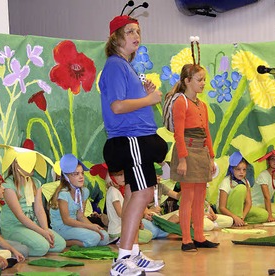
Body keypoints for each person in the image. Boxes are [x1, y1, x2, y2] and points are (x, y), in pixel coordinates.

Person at [99, 12, 167, 276]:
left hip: (135, 138)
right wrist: (149, 100)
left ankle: (134, 254)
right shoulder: (116, 65)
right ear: (116, 38)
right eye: (129, 32)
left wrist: (146, 94)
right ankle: (123, 258)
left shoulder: (126, 67)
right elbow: (117, 106)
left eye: (138, 31)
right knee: (144, 193)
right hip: (130, 138)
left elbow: (127, 102)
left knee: (133, 192)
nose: (136, 36)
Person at [167, 59, 219, 251]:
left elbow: (206, 131)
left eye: (204, 79)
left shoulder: (202, 105)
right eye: (199, 79)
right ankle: (186, 240)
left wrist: (211, 156)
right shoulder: (181, 102)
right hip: (187, 153)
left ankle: (199, 236)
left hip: (201, 152)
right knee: (187, 197)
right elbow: (178, 133)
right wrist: (182, 159)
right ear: (187, 81)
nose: (203, 83)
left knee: (200, 196)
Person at [0, 145, 66, 256]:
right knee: (42, 247)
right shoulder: (8, 186)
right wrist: (42, 232)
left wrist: (45, 230)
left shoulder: (36, 183)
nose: (33, 165)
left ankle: (32, 243)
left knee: (60, 244)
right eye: (28, 161)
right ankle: (12, 246)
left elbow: (39, 210)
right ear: (17, 164)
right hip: (15, 228)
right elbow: (20, 216)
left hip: (33, 225)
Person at [49, 154, 110, 247]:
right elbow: (67, 220)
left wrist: (94, 228)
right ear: (66, 177)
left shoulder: (84, 192)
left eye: (82, 173)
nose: (81, 177)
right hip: (62, 228)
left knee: (104, 237)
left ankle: (83, 239)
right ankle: (65, 242)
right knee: (94, 238)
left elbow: (80, 216)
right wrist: (90, 227)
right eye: (76, 174)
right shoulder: (63, 194)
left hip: (74, 225)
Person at [103, 166, 154, 244]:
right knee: (147, 235)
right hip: (117, 230)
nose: (124, 177)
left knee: (148, 234)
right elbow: (120, 213)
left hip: (122, 228)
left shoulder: (117, 191)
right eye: (119, 175)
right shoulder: (113, 191)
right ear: (111, 177)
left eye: (124, 174)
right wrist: (136, 220)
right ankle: (119, 239)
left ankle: (123, 239)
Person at [217, 152, 265, 226]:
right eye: (238, 169)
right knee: (241, 188)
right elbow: (222, 207)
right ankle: (234, 220)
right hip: (226, 212)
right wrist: (235, 217)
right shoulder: (226, 182)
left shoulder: (246, 182)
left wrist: (242, 217)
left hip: (240, 211)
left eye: (244, 170)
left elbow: (248, 203)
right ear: (232, 170)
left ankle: (239, 221)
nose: (241, 172)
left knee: (263, 215)